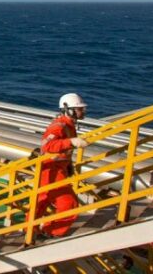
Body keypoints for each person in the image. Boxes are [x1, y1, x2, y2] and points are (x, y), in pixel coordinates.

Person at [34, 93, 90, 238]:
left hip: (54, 168)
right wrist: (71, 142)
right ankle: (51, 231)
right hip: (52, 169)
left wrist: (68, 165)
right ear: (68, 109)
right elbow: (47, 146)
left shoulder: (69, 126)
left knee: (42, 201)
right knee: (69, 204)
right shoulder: (59, 126)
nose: (83, 111)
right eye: (79, 109)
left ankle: (30, 230)